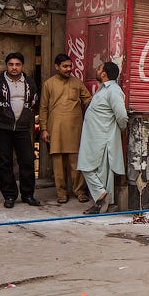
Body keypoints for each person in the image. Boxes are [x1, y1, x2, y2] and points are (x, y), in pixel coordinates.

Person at [0, 52, 40, 208]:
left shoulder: (29, 82)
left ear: (22, 66)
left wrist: (25, 118)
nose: (14, 67)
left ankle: (28, 195)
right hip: (1, 128)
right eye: (11, 64)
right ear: (7, 66)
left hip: (22, 129)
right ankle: (10, 195)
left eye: (17, 64)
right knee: (4, 162)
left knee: (27, 160)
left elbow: (34, 103)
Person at [40, 54, 93, 204]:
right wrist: (44, 129)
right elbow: (43, 108)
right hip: (55, 128)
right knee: (58, 163)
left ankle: (80, 191)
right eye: (65, 66)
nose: (68, 69)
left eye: (70, 66)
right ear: (56, 67)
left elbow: (87, 98)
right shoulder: (48, 84)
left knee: (76, 163)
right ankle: (61, 193)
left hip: (74, 128)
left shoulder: (77, 82)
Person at [78, 62, 128, 215]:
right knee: (100, 172)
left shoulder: (113, 90)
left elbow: (121, 116)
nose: (97, 70)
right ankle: (104, 203)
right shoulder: (103, 89)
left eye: (99, 68)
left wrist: (115, 131)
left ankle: (101, 196)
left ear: (104, 73)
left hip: (103, 138)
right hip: (94, 138)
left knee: (87, 167)